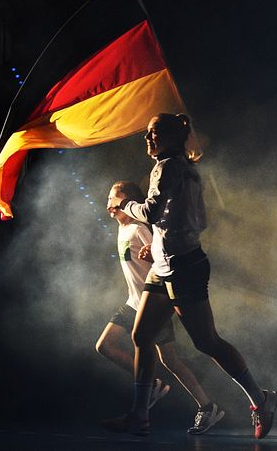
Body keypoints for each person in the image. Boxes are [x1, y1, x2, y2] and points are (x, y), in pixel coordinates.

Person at [101, 113, 277, 438]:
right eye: (148, 134)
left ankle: (259, 397)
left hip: (182, 266)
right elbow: (194, 219)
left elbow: (152, 211)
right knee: (142, 337)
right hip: (166, 265)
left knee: (206, 341)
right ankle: (139, 415)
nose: (148, 139)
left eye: (154, 133)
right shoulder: (184, 169)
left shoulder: (168, 167)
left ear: (171, 136)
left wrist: (128, 204)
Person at [97, 181, 225, 435]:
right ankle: (156, 387)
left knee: (170, 360)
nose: (109, 203)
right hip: (133, 301)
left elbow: (163, 252)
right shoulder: (122, 230)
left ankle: (205, 405)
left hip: (152, 302)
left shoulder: (137, 228)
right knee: (107, 346)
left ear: (130, 203)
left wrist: (151, 251)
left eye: (115, 198)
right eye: (109, 198)